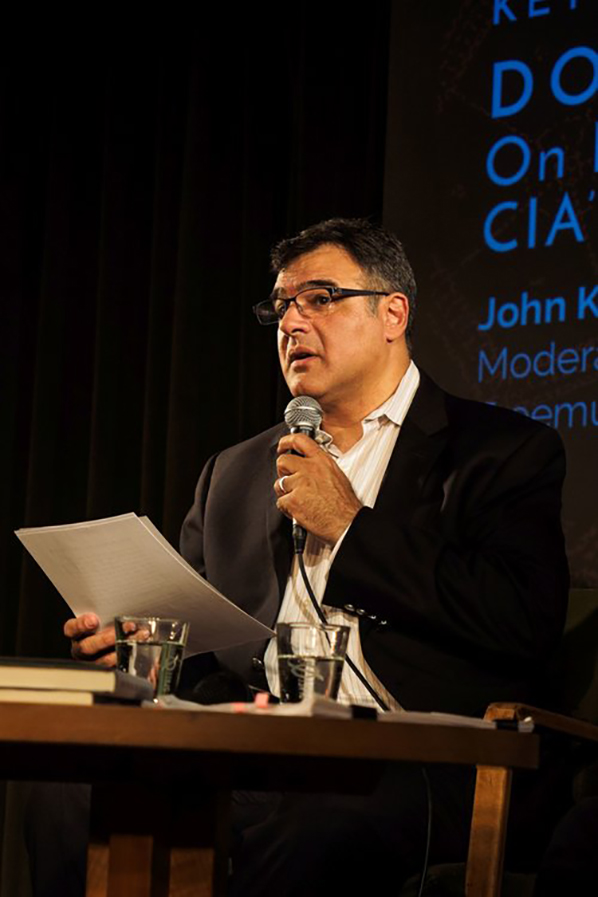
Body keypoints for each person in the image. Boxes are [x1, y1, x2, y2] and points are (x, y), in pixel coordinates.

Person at [28, 219, 569, 895]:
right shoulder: (232, 472)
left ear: (393, 312)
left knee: (312, 825)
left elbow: (521, 619)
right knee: (65, 789)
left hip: (417, 763)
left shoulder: (498, 450)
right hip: (256, 747)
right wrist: (136, 639)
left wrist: (349, 524)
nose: (292, 321)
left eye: (320, 297)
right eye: (281, 305)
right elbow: (195, 633)